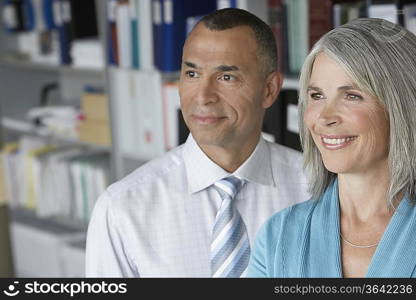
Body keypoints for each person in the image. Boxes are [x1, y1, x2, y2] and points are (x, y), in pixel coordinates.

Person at [85, 8, 309, 277]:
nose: (203, 97)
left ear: (269, 89)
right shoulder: (122, 208)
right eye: (192, 74)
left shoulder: (319, 190)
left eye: (226, 77)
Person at [248, 18, 416, 278]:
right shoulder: (277, 237)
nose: (325, 117)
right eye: (317, 96)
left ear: (401, 105)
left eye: (351, 96)